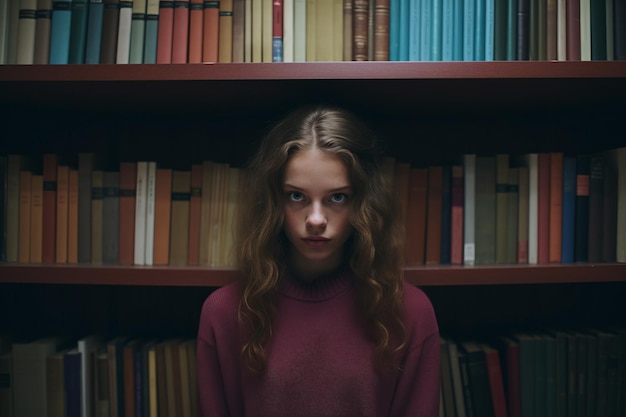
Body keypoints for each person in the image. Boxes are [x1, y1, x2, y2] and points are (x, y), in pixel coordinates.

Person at [196, 105, 440, 417]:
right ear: (274, 202)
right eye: (296, 197)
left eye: (337, 197)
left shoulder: (409, 312)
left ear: (363, 204)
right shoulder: (225, 312)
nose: (315, 219)